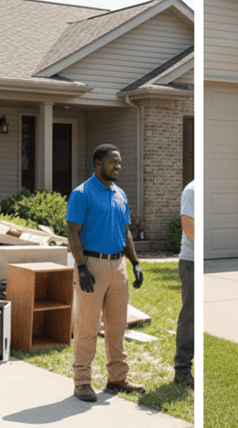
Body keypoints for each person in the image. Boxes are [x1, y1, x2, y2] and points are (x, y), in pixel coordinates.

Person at [65, 143, 145, 403]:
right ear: (98, 163)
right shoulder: (82, 194)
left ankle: (118, 377)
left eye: (119, 162)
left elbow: (126, 232)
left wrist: (134, 263)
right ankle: (82, 381)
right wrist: (81, 266)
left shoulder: (120, 193)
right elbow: (72, 232)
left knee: (117, 325)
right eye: (113, 162)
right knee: (87, 326)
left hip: (118, 265)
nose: (118, 166)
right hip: (93, 264)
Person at [174, 179, 195, 389]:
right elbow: (190, 228)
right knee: (190, 319)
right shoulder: (192, 190)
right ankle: (181, 371)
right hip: (192, 263)